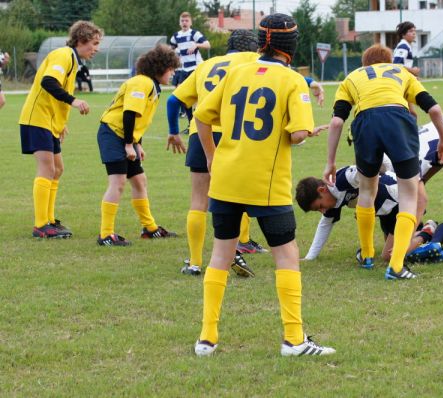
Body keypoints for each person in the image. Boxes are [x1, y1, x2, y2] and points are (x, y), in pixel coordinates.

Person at [192, 13, 335, 357]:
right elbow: (297, 133)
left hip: (226, 179)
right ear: (291, 44)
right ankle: (294, 340)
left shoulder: (234, 72)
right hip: (266, 183)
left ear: (261, 40)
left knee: (221, 255)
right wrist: (303, 133)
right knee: (286, 255)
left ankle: (207, 339)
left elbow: (201, 116)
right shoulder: (292, 80)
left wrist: (212, 157)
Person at [325, 44, 443, 281]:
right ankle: (396, 265)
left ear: (365, 64)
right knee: (409, 195)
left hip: (365, 122)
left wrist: (330, 162)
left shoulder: (353, 77)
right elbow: (433, 108)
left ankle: (367, 254)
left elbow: (336, 123)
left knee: (366, 190)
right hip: (398, 120)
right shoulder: (401, 72)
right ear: (389, 60)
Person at [165, 29, 262, 276]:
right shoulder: (253, 60)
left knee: (199, 199)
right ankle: (235, 249)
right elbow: (280, 75)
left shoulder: (206, 65)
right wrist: (311, 83)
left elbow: (173, 101)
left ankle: (195, 262)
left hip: (201, 133)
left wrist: (174, 131)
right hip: (235, 134)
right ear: (253, 47)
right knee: (238, 196)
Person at [19, 21, 103, 238]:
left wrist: (60, 123)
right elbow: (48, 82)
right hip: (36, 118)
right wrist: (74, 101)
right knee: (47, 168)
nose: (96, 48)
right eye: (94, 43)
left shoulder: (73, 61)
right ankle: (40, 225)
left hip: (49, 121)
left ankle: (48, 220)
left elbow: (54, 91)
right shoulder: (64, 55)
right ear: (81, 40)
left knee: (57, 169)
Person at [96, 45, 180, 246]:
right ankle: (106, 234)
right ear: (160, 68)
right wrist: (128, 145)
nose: (173, 73)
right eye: (171, 69)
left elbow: (137, 118)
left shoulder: (151, 85)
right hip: (113, 134)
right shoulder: (142, 83)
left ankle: (150, 228)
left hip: (124, 136)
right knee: (118, 182)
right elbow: (128, 114)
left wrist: (137, 144)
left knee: (139, 180)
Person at [295, 166, 437, 263]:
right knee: (393, 247)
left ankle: (427, 231)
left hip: (399, 202)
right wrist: (310, 257)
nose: (323, 211)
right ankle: (417, 231)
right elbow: (324, 225)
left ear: (322, 190)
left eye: (320, 207)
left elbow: (370, 168)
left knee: (389, 255)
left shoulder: (344, 178)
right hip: (385, 212)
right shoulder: (331, 198)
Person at [169, 11, 210, 121]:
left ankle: (197, 121)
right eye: (182, 21)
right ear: (179, 23)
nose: (184, 22)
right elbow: (170, 50)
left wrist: (196, 44)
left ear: (190, 22)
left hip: (196, 68)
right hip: (184, 69)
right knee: (183, 96)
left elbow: (207, 45)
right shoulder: (176, 36)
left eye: (186, 20)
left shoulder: (194, 34)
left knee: (196, 96)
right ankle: (190, 122)